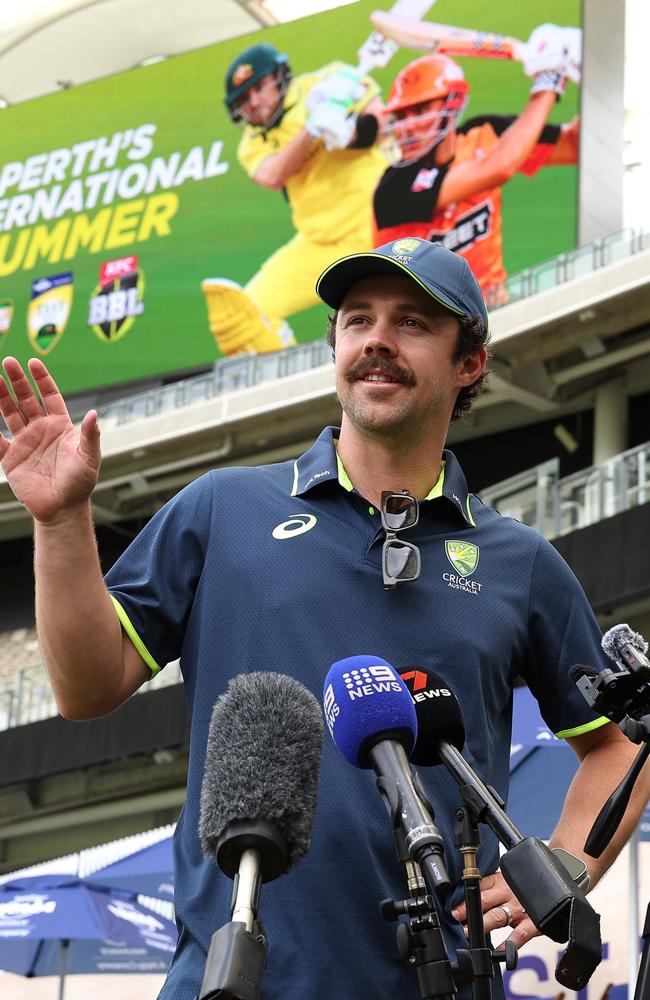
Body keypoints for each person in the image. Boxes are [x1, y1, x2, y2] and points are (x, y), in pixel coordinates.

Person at [0, 238, 648, 1000]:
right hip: (230, 982)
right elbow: (86, 686)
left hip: (444, 981)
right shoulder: (221, 509)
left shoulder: (520, 560)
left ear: (469, 362)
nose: (376, 339)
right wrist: (61, 521)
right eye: (357, 320)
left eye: (411, 323)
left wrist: (567, 863)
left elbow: (622, 747)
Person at [201, 42, 388, 355]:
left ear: (279, 75)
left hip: (381, 222)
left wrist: (344, 131)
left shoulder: (329, 80)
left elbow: (382, 125)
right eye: (244, 99)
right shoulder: (250, 144)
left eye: (258, 88)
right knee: (245, 314)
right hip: (321, 242)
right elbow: (272, 175)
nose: (255, 102)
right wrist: (312, 128)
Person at [373, 29, 580, 306]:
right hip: (426, 320)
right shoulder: (392, 188)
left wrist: (587, 65)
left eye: (420, 110)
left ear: (453, 103)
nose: (408, 124)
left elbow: (576, 145)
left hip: (491, 310)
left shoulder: (484, 134)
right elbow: (498, 167)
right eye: (401, 115)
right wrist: (548, 82)